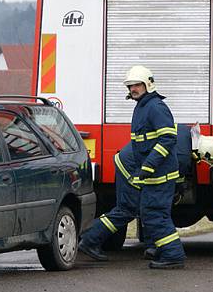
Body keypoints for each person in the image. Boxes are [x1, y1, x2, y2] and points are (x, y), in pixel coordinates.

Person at [79, 65, 185, 269]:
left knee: (153, 213)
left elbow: (167, 140)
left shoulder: (155, 107)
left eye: (137, 85)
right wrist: (145, 170)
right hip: (148, 172)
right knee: (150, 213)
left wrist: (148, 167)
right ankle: (167, 252)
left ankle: (171, 254)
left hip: (156, 174)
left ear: (148, 84)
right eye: (130, 86)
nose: (133, 89)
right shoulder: (143, 106)